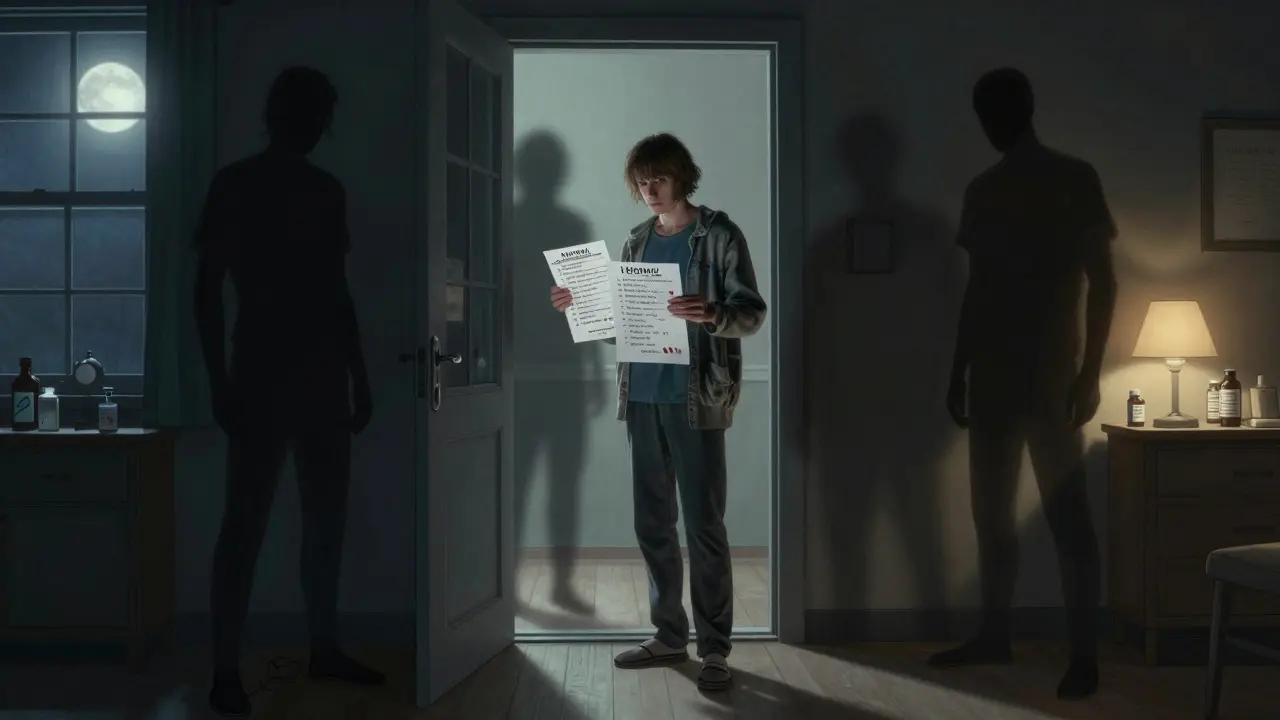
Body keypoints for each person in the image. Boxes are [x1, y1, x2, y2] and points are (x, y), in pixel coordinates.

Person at [194, 66, 382, 717]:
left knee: (311, 520)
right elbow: (207, 292)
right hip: (274, 375)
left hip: (301, 374)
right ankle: (228, 668)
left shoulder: (305, 189)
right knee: (254, 524)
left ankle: (308, 650)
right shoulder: (251, 186)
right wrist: (220, 382)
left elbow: (336, 291)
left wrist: (359, 375)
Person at [550, 133, 766, 691]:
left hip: (697, 399)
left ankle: (714, 648)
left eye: (660, 179)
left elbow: (751, 314)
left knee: (704, 525)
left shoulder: (718, 235)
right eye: (642, 181)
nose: (650, 190)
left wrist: (711, 311)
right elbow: (627, 328)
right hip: (641, 396)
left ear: (681, 177)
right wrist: (584, 307)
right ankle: (670, 636)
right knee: (652, 523)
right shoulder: (637, 240)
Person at [933, 67, 1117, 700]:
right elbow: (978, 290)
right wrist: (959, 369)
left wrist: (1091, 371)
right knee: (997, 517)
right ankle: (996, 634)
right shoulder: (989, 188)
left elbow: (1104, 280)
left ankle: (1083, 654)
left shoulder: (1069, 178)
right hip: (1004, 377)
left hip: (1045, 379)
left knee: (1066, 521)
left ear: (1010, 114)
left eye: (992, 115)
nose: (989, 128)